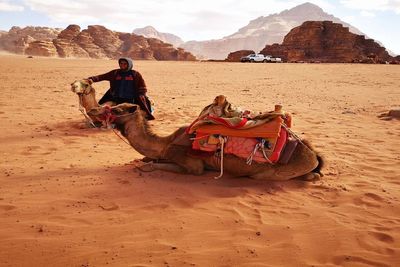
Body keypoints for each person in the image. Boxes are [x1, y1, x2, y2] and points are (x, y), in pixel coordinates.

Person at [87, 57, 155, 120]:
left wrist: (141, 94)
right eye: (121, 63)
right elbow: (102, 76)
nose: (122, 65)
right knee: (104, 109)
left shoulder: (135, 74)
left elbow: (142, 86)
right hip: (117, 97)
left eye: (125, 64)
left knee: (134, 115)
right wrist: (91, 79)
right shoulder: (115, 73)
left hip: (130, 99)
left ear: (129, 64)